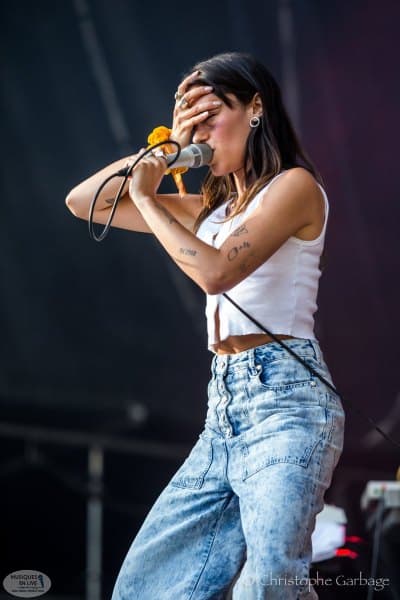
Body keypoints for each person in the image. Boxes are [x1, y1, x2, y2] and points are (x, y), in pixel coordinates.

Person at [66, 52, 345, 599]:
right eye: (192, 118)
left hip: (287, 405)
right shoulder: (211, 211)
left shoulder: (295, 188)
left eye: (211, 114)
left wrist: (148, 196)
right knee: (147, 587)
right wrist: (168, 148)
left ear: (255, 108)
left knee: (267, 585)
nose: (202, 132)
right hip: (224, 410)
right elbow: (83, 202)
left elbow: (216, 273)